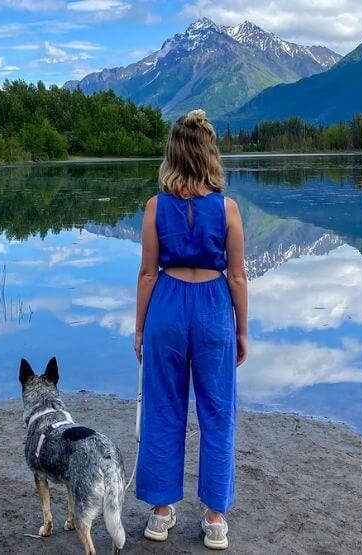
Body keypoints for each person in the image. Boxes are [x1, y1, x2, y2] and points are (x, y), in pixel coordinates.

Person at [133, 109, 248, 550]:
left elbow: (147, 273)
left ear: (172, 155)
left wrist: (140, 329)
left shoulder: (154, 207)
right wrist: (242, 330)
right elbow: (237, 276)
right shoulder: (228, 208)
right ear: (209, 153)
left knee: (164, 408)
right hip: (214, 309)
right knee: (218, 413)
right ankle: (215, 519)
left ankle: (160, 516)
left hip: (167, 306)